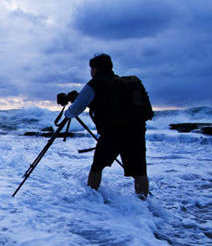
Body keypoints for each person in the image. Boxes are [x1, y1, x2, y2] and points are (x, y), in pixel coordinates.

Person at [63, 53, 150, 198]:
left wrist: (67, 113)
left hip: (113, 132)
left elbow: (75, 111)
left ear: (95, 69)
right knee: (140, 171)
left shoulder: (95, 84)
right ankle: (143, 203)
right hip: (136, 130)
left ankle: (92, 198)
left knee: (97, 167)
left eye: (91, 69)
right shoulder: (122, 83)